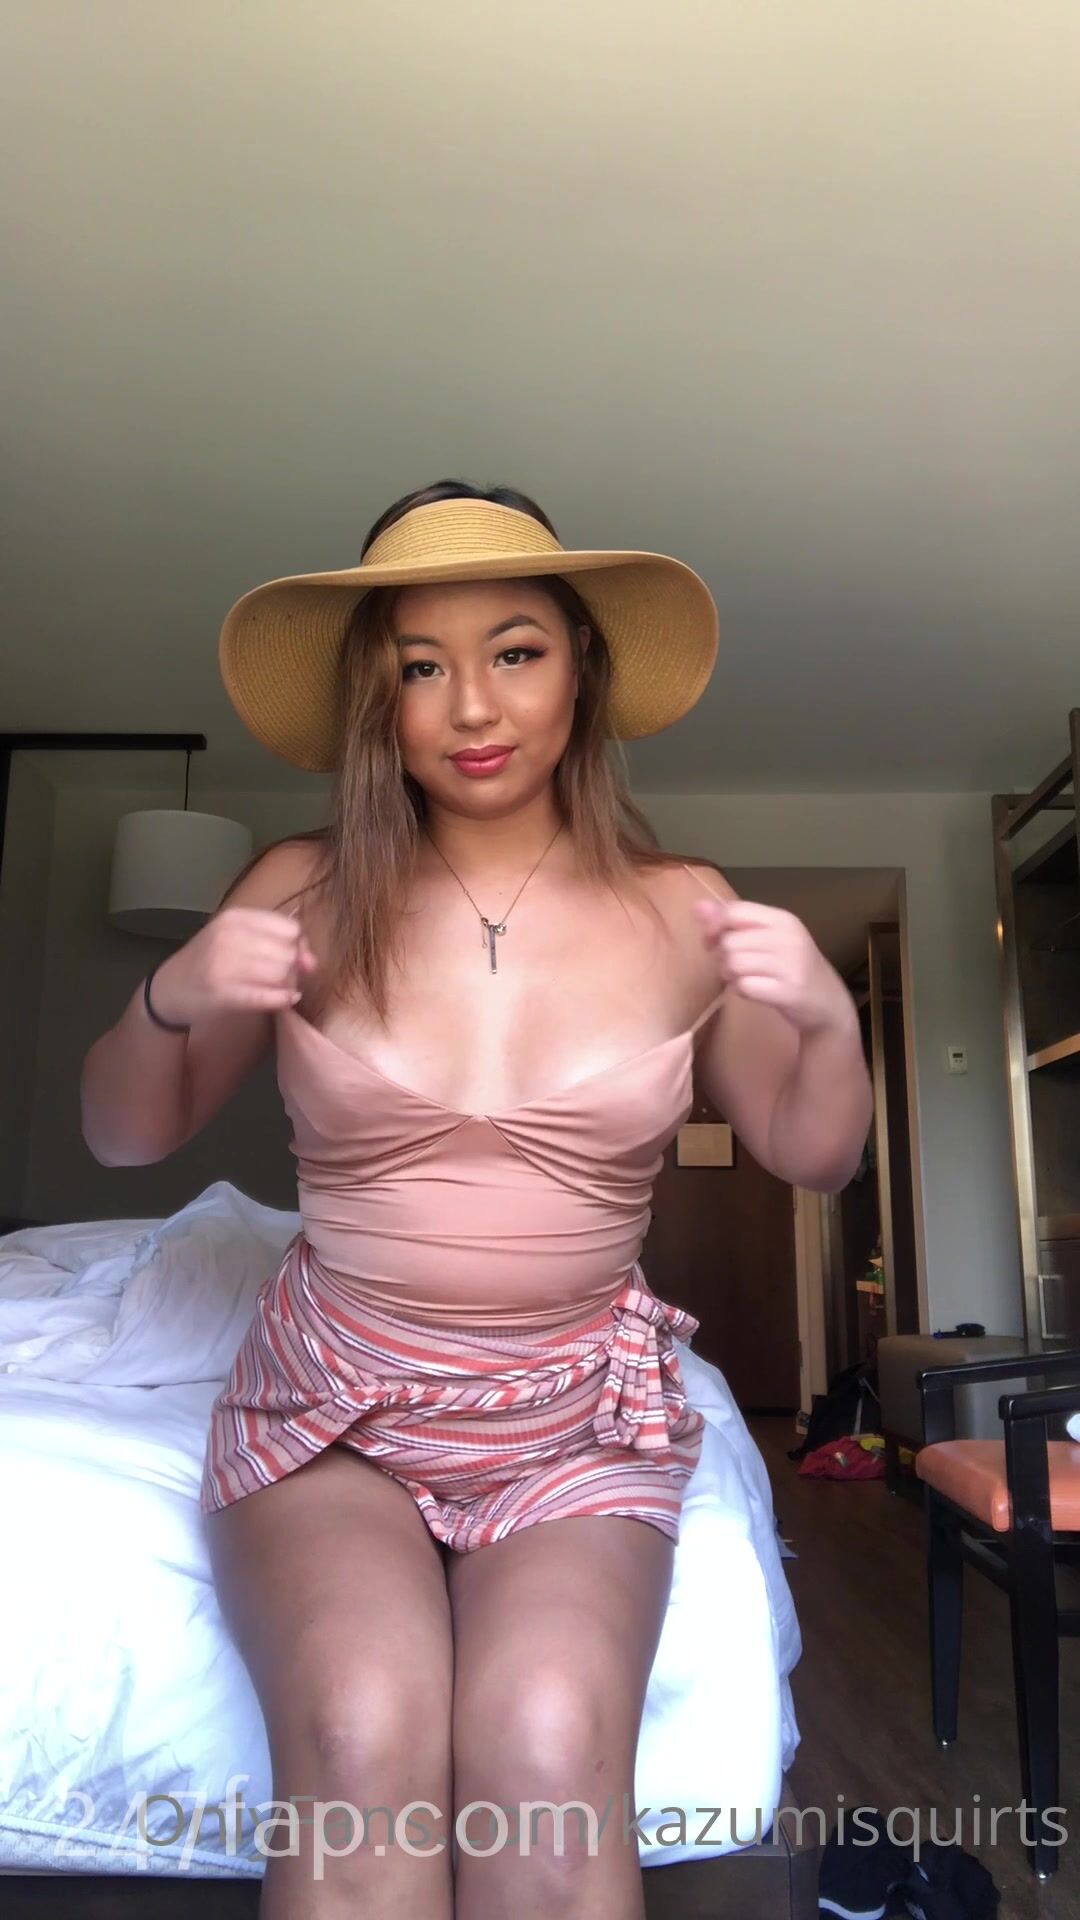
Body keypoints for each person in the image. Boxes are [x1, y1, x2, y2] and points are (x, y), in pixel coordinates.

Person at [81, 478, 873, 1918]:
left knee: (551, 1747)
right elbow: (126, 1137)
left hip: (576, 1405)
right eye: (419, 667)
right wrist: (170, 995)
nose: (472, 705)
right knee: (360, 1731)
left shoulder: (683, 905)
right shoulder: (301, 886)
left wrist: (830, 1023)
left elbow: (812, 1155)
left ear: (583, 669)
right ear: (376, 703)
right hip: (332, 1402)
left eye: (516, 650)